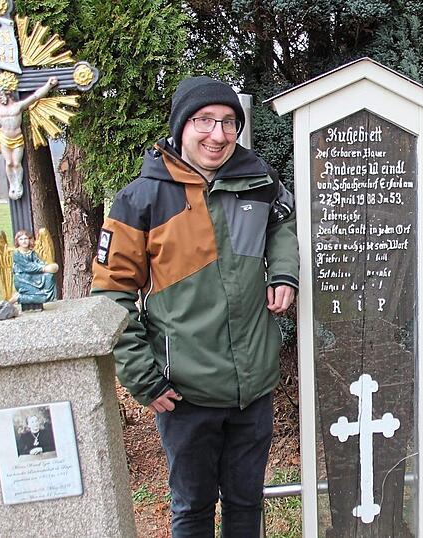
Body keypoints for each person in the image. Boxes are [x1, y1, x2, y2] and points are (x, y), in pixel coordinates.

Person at [91, 76, 299, 537]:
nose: (218, 135)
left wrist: (285, 272)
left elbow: (283, 226)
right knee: (192, 508)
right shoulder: (140, 199)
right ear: (181, 127)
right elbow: (110, 294)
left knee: (247, 504)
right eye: (205, 121)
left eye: (228, 123)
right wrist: (143, 378)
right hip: (184, 392)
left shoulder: (259, 179)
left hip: (254, 385)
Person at [10, 229, 58, 310]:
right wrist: (44, 268)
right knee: (42, 298)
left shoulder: (31, 252)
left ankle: (47, 294)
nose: (24, 241)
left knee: (49, 276)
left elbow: (38, 262)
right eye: (21, 239)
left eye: (26, 239)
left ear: (29, 240)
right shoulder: (17, 254)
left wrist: (47, 266)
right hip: (23, 279)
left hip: (33, 277)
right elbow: (28, 267)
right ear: (17, 241)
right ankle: (18, 298)